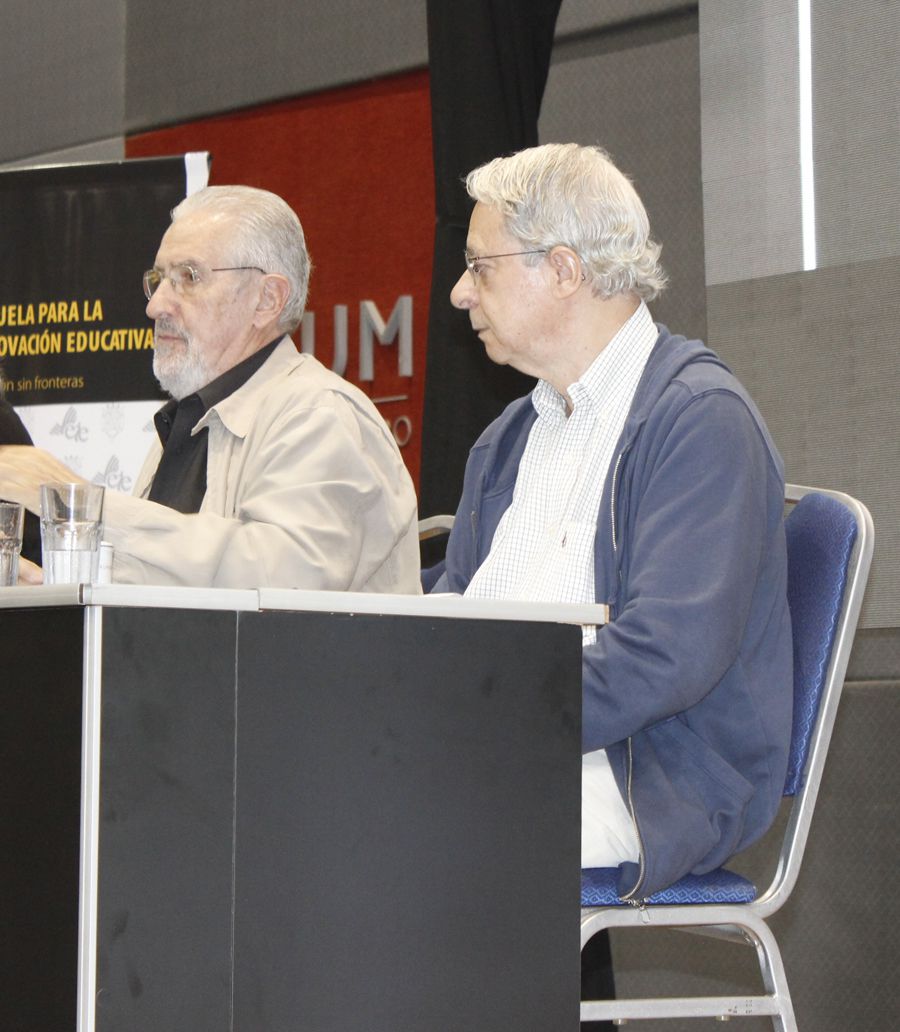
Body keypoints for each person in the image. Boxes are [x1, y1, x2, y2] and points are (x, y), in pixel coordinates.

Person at [430, 143, 793, 899]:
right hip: (513, 738)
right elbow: (453, 608)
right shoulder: (507, 438)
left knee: (385, 812)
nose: (461, 293)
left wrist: (480, 719)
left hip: (653, 771)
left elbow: (667, 654)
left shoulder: (698, 419)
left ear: (564, 270)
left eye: (480, 267)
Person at [0, 186, 420, 593]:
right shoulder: (189, 419)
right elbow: (169, 585)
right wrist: (44, 589)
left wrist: (79, 504)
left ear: (267, 299)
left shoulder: (319, 414)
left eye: (188, 277)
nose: (155, 305)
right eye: (158, 279)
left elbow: (285, 583)